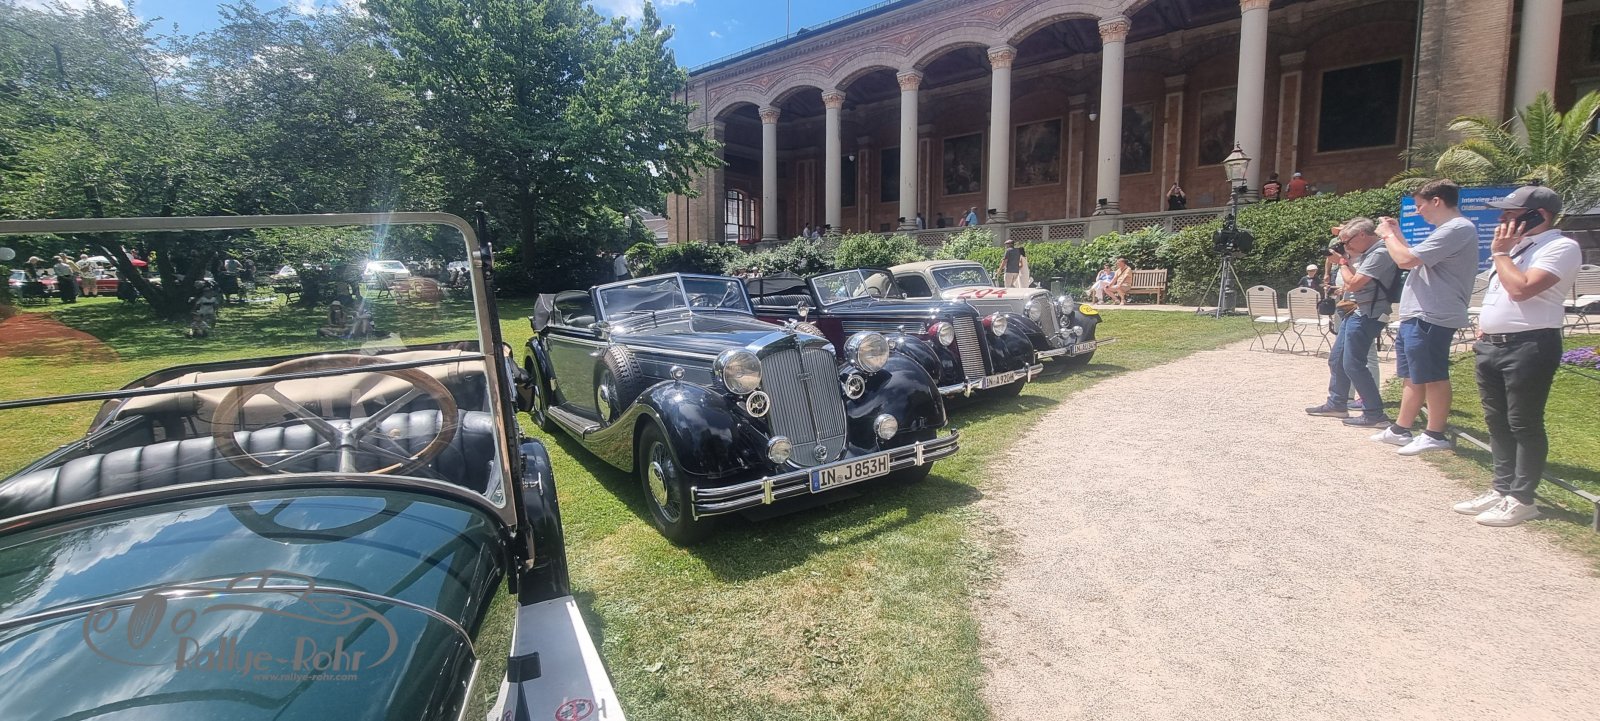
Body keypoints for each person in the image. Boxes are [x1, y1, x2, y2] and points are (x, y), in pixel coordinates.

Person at [1450, 185, 1582, 527]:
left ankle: (1522, 498)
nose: (1502, 219)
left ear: (1540, 215)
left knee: (1523, 423)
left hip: (1529, 345)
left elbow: (1522, 289)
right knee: (1497, 421)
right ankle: (1502, 487)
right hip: (1492, 345)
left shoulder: (1559, 247)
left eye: (1511, 213)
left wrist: (1500, 254)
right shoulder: (1518, 248)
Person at [1372, 179, 1479, 456]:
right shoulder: (1448, 230)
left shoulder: (1457, 228)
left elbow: (1406, 260)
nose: (1418, 211)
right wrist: (1397, 234)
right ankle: (1401, 429)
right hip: (1420, 312)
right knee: (1413, 375)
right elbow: (1412, 257)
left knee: (1433, 375)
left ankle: (1434, 434)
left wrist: (1387, 235)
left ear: (1437, 201)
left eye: (1420, 205)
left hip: (1433, 314)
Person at [1305, 218, 1397, 427]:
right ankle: (1337, 404)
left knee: (1353, 364)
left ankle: (1374, 414)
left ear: (1362, 235)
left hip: (1368, 313)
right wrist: (1345, 260)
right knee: (1337, 359)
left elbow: (1354, 284)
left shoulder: (1380, 253)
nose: (1345, 246)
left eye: (1347, 242)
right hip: (1354, 311)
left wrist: (1343, 262)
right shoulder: (1366, 252)